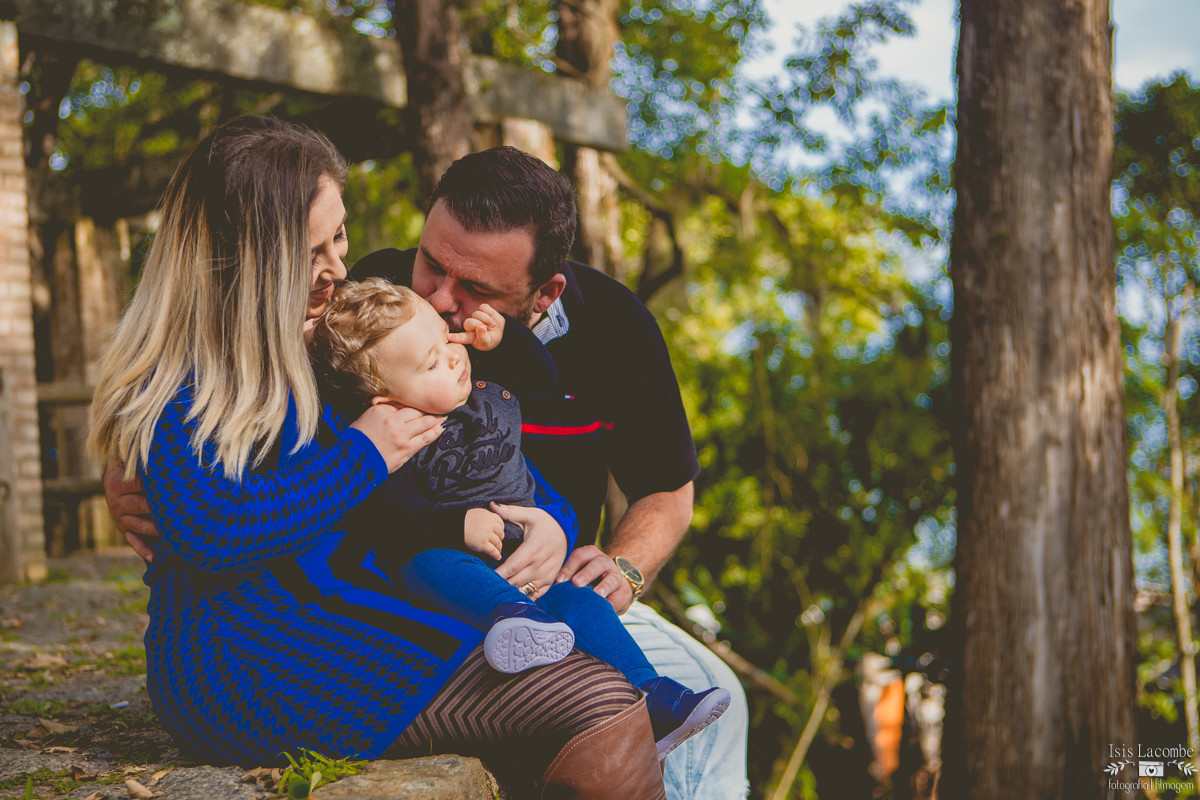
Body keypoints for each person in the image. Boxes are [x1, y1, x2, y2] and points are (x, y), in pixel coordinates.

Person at [106, 143, 751, 798]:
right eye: (431, 265)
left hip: (534, 580)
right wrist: (130, 462)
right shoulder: (371, 318)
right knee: (592, 699)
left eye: (475, 290)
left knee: (698, 700)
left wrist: (578, 541)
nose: (437, 300)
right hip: (367, 595)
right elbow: (239, 496)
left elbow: (637, 486)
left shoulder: (615, 330)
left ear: (542, 293)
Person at [309, 278, 731, 759]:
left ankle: (653, 697)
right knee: (430, 564)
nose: (452, 356)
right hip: (453, 563)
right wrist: (454, 526)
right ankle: (515, 622)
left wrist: (504, 338)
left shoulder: (480, 384)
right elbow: (386, 510)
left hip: (527, 561)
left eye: (446, 341)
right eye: (430, 362)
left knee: (582, 602)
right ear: (384, 399)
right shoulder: (397, 435)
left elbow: (541, 381)